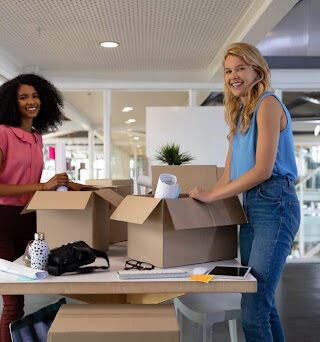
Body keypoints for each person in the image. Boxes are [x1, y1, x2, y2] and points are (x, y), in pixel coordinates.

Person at [189, 43, 300, 342]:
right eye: (228, 71)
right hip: (251, 205)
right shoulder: (239, 114)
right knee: (261, 304)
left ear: (256, 70)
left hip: (275, 204)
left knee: (253, 311)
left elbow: (263, 170)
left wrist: (213, 197)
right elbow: (229, 174)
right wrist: (205, 200)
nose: (233, 76)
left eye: (240, 68)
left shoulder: (268, 104)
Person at [0, 73, 72, 342]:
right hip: (3, 221)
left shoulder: (36, 138)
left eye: (35, 95)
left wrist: (58, 185)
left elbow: (30, 183)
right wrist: (41, 187)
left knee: (31, 289)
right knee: (12, 302)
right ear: (11, 102)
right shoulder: (2, 134)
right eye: (23, 97)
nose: (31, 101)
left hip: (30, 221)